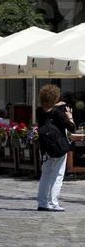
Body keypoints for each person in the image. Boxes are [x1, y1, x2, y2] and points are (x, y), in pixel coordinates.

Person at [37, 83, 77, 212]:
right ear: (55, 98)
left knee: (46, 174)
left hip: (45, 148)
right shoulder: (58, 112)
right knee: (57, 175)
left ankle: (42, 202)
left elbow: (48, 111)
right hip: (59, 147)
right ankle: (53, 203)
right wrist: (70, 117)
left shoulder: (39, 111)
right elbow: (72, 128)